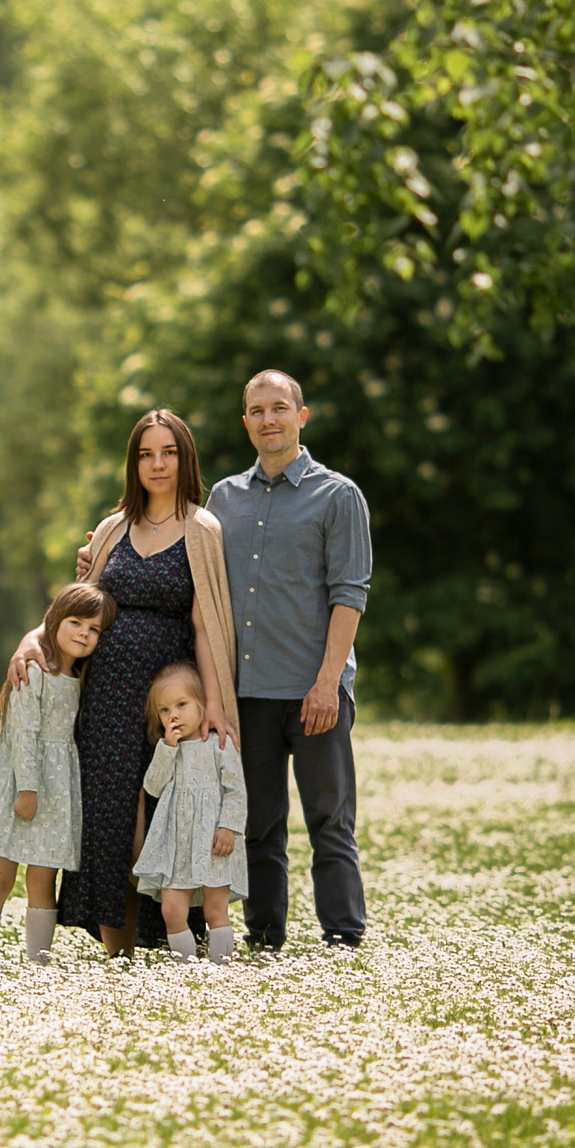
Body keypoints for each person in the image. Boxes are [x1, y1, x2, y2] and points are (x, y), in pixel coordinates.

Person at [13, 410, 238, 957]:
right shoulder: (114, 528)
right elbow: (77, 610)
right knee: (111, 824)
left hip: (168, 700)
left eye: (169, 453)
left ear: (185, 460)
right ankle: (120, 955)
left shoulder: (203, 529)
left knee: (165, 823)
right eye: (145, 454)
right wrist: (29, 643)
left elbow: (206, 625)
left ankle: (173, 942)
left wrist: (215, 707)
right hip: (108, 701)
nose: (157, 464)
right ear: (133, 463)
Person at [209, 370, 373, 950]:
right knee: (260, 824)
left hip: (314, 692)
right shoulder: (223, 498)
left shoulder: (338, 495)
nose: (269, 419)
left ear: (301, 417)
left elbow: (349, 594)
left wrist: (327, 683)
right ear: (246, 422)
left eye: (280, 408)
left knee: (330, 821)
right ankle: (265, 936)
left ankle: (343, 937)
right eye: (258, 410)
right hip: (248, 692)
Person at [0, 583, 114, 966]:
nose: (84, 633)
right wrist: (28, 790)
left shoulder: (79, 678)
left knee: (43, 878)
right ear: (53, 621)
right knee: (0, 876)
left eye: (94, 629)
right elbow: (23, 735)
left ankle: (38, 966)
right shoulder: (34, 671)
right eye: (76, 622)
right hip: (22, 785)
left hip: (59, 788)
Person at [132, 663, 247, 963]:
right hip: (177, 844)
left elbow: (236, 790)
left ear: (202, 704)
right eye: (164, 710)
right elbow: (152, 787)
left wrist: (228, 828)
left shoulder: (218, 744)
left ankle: (221, 969)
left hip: (214, 841)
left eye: (181, 705)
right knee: (171, 909)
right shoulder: (168, 748)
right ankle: (187, 971)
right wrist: (167, 749)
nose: (174, 715)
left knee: (214, 910)